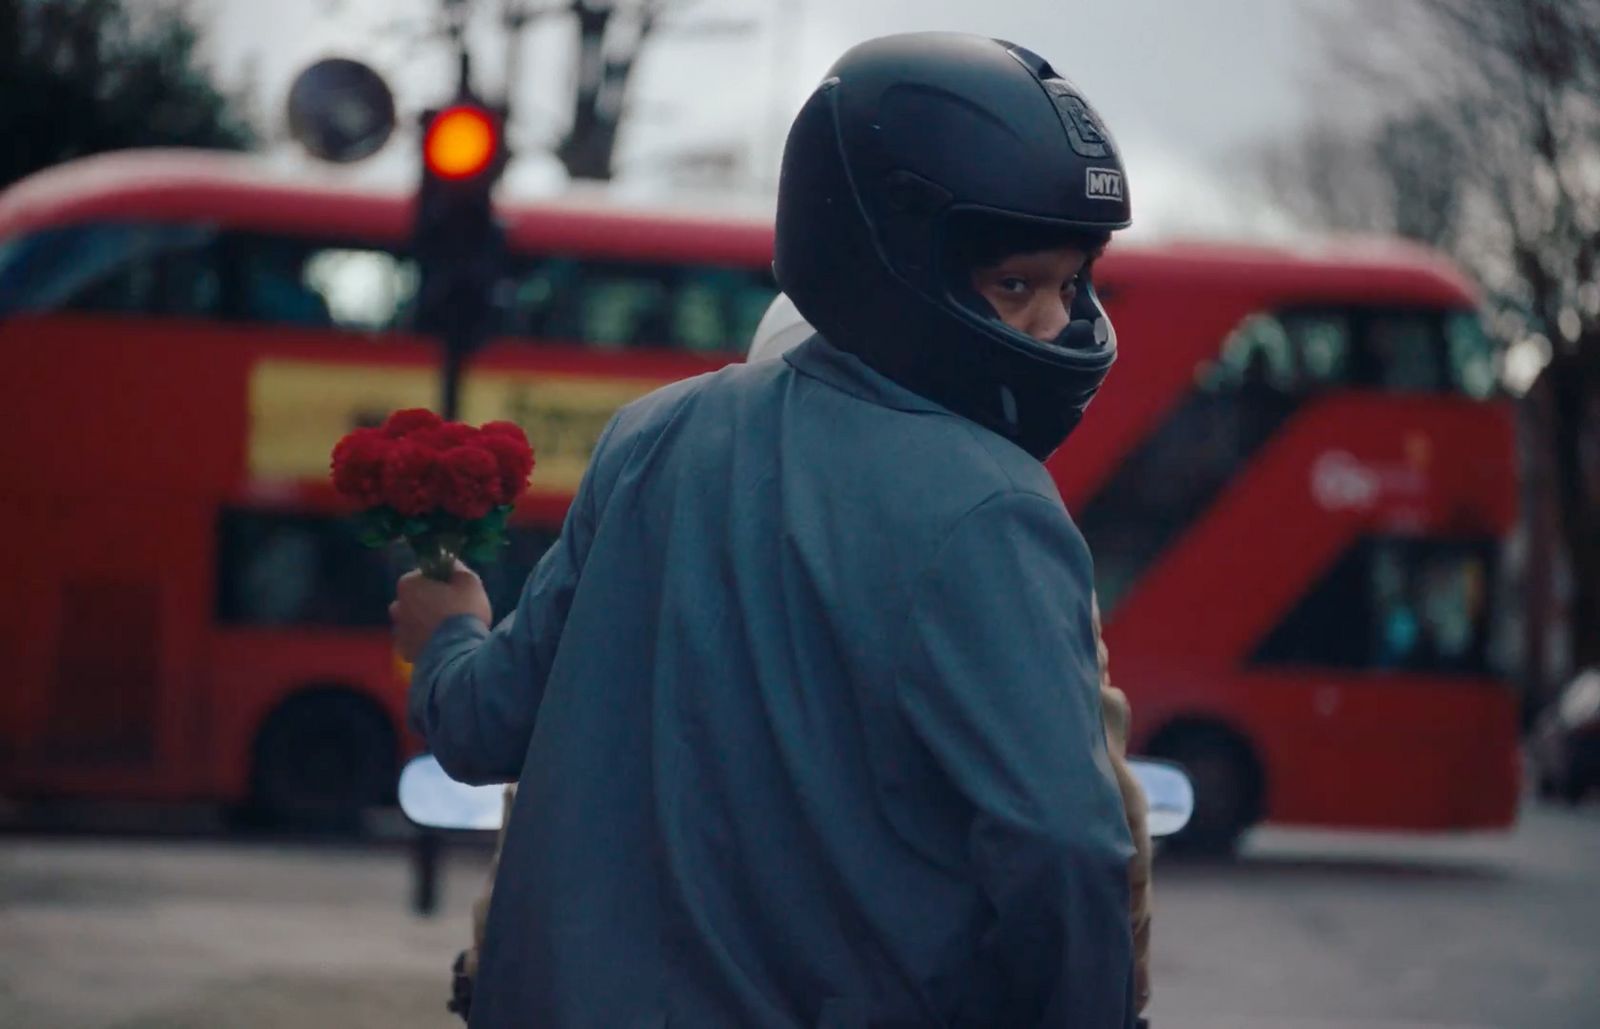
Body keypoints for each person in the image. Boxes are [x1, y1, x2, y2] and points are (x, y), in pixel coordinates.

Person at [393, 31, 1140, 1026]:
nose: (1056, 323)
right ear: (885, 256)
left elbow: (485, 727)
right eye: (1015, 285)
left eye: (1073, 282)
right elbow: (1064, 847)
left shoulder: (652, 434)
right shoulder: (994, 507)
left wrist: (448, 630)